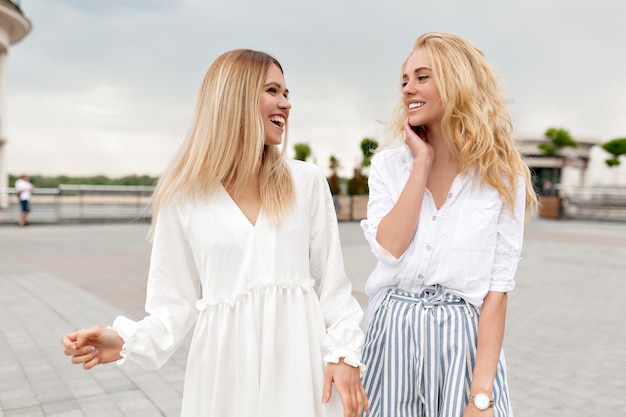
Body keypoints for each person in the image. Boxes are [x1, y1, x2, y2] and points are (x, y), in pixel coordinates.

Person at [61, 49, 368, 417]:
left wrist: (344, 354)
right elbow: (173, 306)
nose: (285, 104)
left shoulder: (306, 182)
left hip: (300, 375)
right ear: (234, 98)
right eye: (273, 91)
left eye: (287, 94)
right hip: (225, 380)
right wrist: (125, 341)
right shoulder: (184, 198)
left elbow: (333, 289)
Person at [359, 32, 538, 417]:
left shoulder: (502, 178)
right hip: (391, 339)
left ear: (456, 81)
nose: (409, 89)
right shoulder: (390, 167)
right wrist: (420, 162)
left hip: (463, 345)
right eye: (405, 80)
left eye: (423, 77)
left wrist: (481, 395)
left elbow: (497, 291)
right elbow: (391, 245)